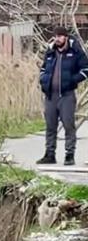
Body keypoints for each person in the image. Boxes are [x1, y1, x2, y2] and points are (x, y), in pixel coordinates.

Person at [38, 25, 88, 166]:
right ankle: (49, 154)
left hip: (66, 95)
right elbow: (43, 68)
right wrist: (43, 79)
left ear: (66, 37)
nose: (58, 39)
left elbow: (86, 69)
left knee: (68, 125)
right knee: (50, 126)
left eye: (60, 36)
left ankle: (69, 155)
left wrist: (73, 80)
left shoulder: (75, 51)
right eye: (56, 36)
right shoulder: (51, 52)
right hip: (50, 95)